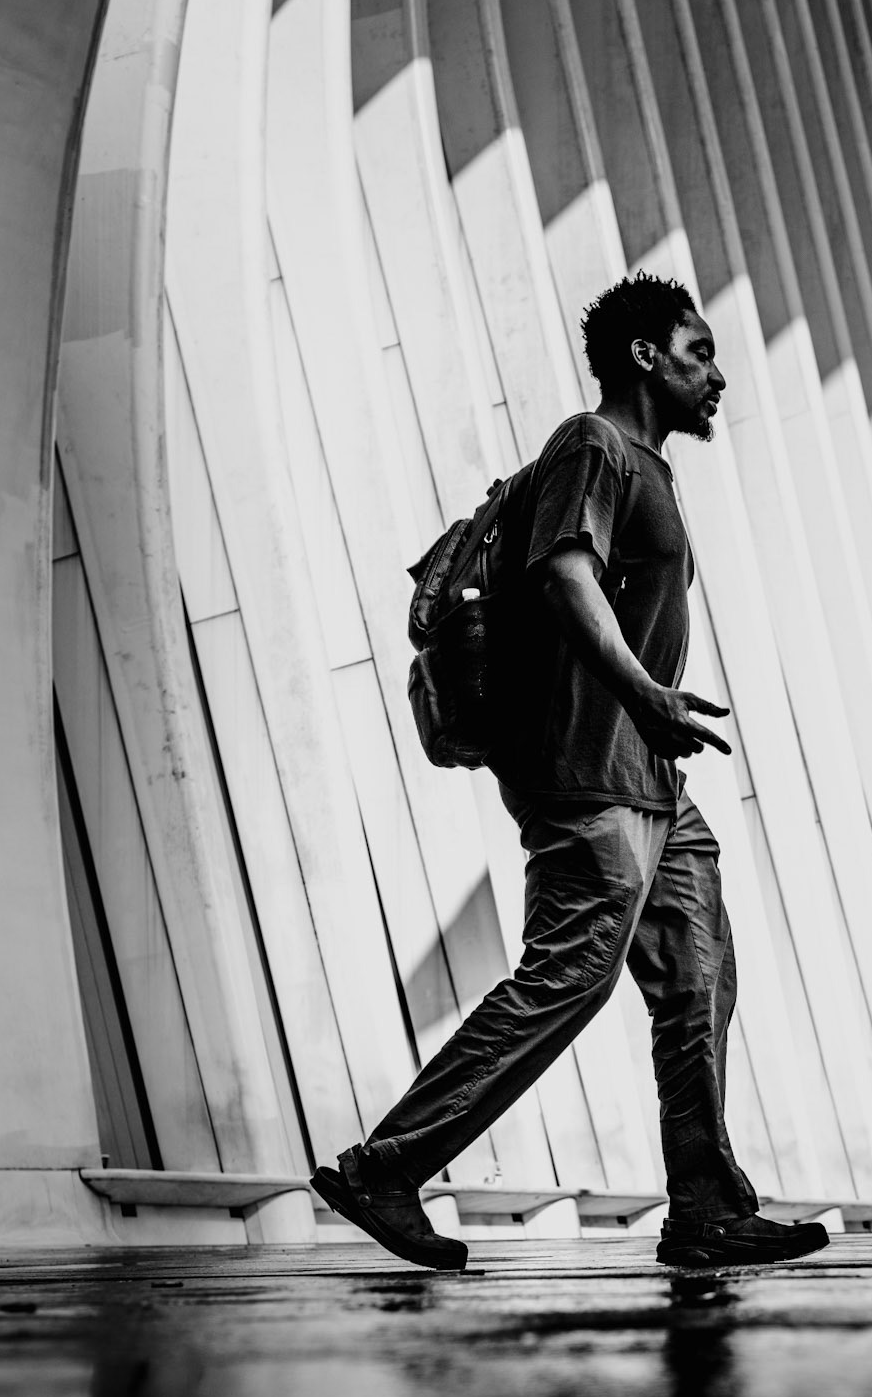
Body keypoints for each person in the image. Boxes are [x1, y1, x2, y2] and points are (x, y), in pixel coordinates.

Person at [312, 273, 829, 1274]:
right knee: (569, 977)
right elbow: (562, 568)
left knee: (699, 978)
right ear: (644, 354)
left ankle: (707, 1206)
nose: (716, 376)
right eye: (699, 352)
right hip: (590, 770)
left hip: (652, 783)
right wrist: (643, 692)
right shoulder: (589, 446)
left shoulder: (650, 467)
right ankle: (385, 1165)